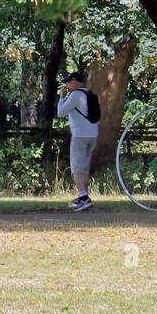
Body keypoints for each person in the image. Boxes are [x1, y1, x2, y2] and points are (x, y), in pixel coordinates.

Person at [57, 71, 98, 211]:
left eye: (69, 82)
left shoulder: (75, 95)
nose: (67, 85)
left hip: (80, 136)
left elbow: (61, 113)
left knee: (76, 167)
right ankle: (84, 196)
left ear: (75, 82)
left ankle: (83, 197)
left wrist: (62, 98)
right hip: (93, 134)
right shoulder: (90, 94)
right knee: (84, 167)